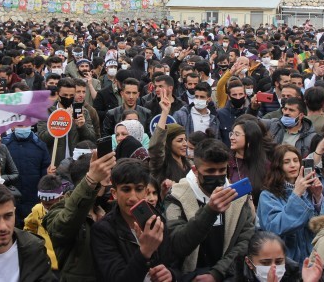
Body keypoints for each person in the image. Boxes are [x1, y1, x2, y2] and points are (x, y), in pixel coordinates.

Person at [164, 138, 256, 281]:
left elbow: (245, 241)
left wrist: (217, 273)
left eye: (221, 170)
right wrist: (210, 211)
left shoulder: (238, 198)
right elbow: (177, 244)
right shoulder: (177, 197)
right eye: (210, 171)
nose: (217, 176)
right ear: (195, 171)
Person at [90, 158, 178, 281]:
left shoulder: (157, 221)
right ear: (114, 193)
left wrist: (170, 274)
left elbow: (174, 264)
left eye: (139, 189)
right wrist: (145, 252)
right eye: (126, 190)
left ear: (146, 191)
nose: (133, 197)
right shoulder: (103, 230)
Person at [43, 150, 116, 281]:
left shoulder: (109, 210)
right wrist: (91, 181)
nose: (110, 183)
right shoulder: (58, 210)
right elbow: (63, 226)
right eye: (106, 177)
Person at [257, 145, 324, 263]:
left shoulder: (309, 190)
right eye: (286, 162)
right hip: (286, 262)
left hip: (311, 259)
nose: (293, 165)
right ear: (278, 166)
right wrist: (296, 194)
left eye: (296, 161)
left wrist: (317, 198)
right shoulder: (268, 195)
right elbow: (274, 228)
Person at [3, 123, 52, 225]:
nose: (23, 128)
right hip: (10, 201)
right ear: (12, 126)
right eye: (20, 126)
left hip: (33, 201)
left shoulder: (40, 146)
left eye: (26, 125)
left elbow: (44, 177)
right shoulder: (4, 145)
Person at [24, 175, 69, 272]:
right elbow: (29, 228)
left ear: (60, 198)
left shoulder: (68, 212)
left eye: (49, 204)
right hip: (43, 263)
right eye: (42, 202)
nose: (45, 207)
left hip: (62, 264)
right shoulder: (37, 209)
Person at [234, 231, 316, 282]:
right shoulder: (235, 276)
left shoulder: (294, 274)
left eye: (278, 262)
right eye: (266, 263)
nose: (273, 267)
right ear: (249, 262)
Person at [149, 94, 191, 192]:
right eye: (180, 140)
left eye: (185, 140)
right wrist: (165, 112)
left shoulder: (189, 163)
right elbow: (156, 146)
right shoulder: (161, 164)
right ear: (168, 143)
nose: (185, 144)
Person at [228, 118, 268, 205]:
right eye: (232, 134)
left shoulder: (265, 165)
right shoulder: (227, 163)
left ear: (250, 139)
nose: (231, 138)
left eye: (236, 134)